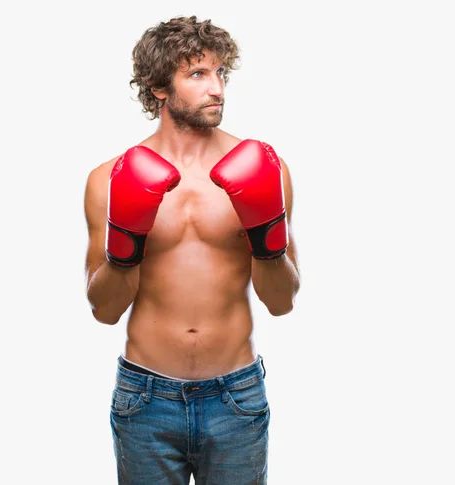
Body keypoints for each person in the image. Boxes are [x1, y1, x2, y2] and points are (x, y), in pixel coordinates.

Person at [84, 15, 300, 485]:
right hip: (145, 399)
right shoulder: (109, 179)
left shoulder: (265, 169)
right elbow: (103, 310)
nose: (217, 88)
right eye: (199, 74)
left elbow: (282, 302)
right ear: (160, 87)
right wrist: (126, 245)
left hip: (236, 397)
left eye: (221, 73)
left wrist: (266, 242)